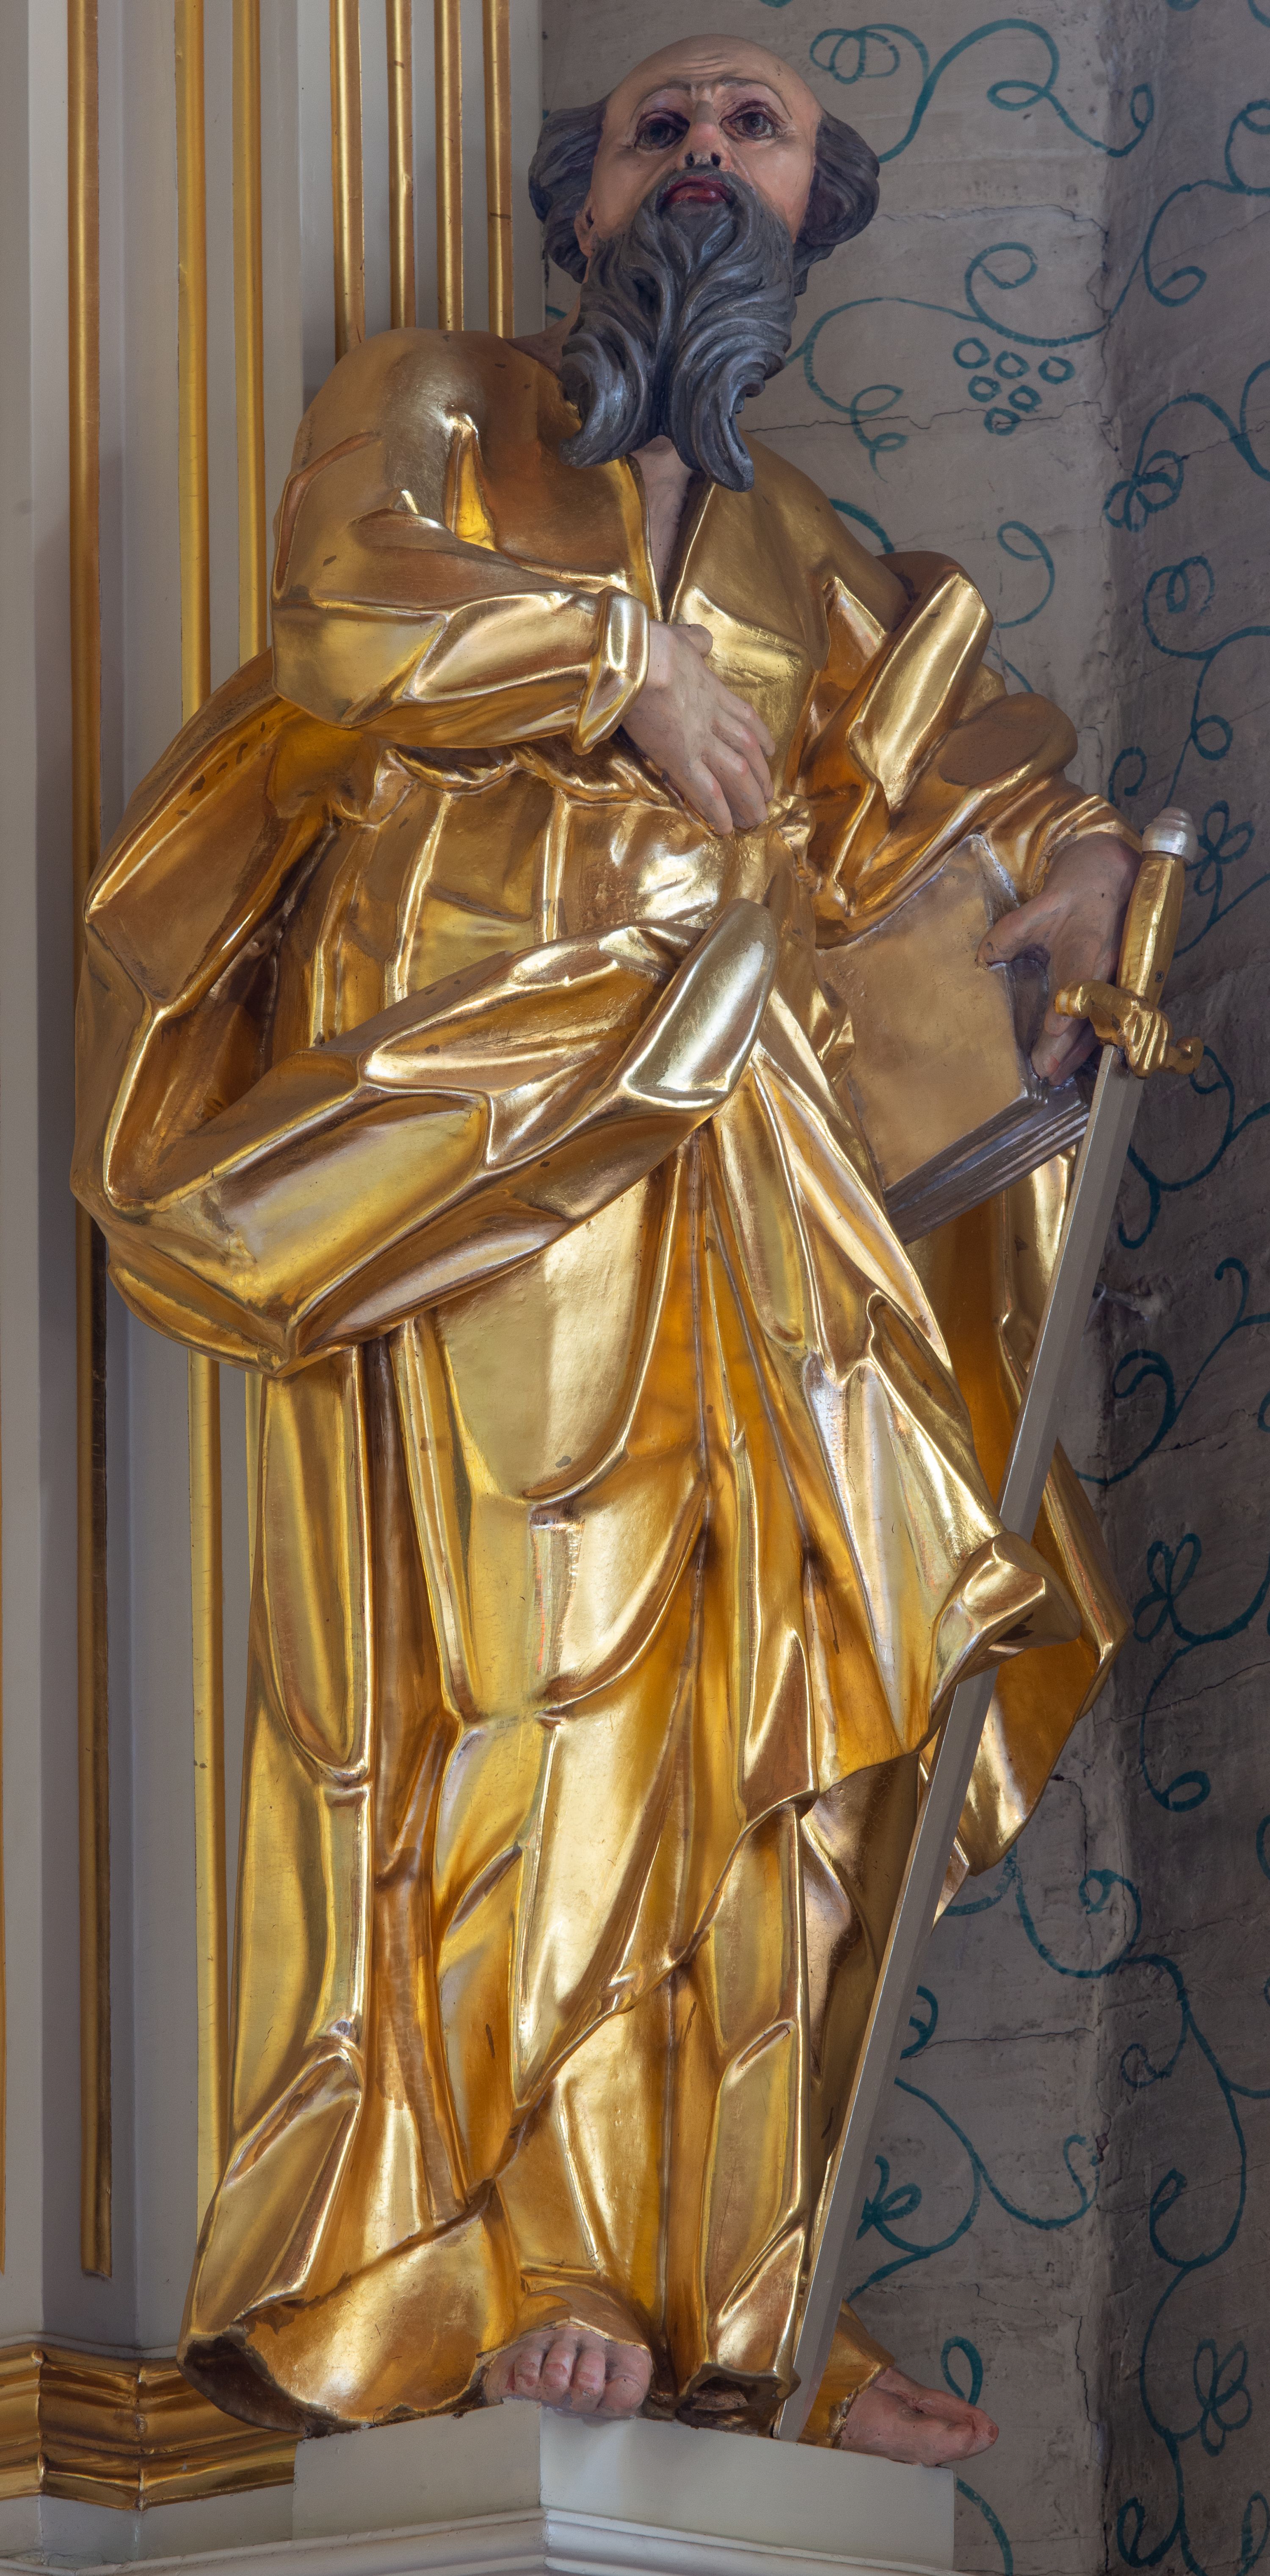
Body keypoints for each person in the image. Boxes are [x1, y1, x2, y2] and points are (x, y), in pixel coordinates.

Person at [73, 35, 1133, 2466]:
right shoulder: (447, 402)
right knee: (542, 1660)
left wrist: (1078, 875)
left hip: (754, 1158)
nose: (703, 159)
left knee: (783, 1708)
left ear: (818, 210)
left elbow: (944, 807)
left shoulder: (827, 563)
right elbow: (347, 615)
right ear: (580, 206)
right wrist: (611, 662)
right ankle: (520, 2257)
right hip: (496, 1120)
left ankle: (753, 2295)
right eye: (660, 127)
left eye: (754, 129)